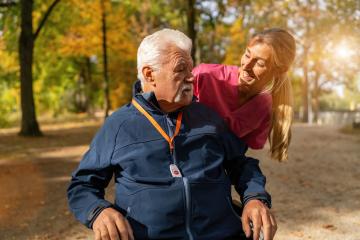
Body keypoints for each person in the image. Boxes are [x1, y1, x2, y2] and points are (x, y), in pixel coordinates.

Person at [67, 28, 276, 240]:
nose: (191, 77)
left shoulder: (208, 118)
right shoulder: (118, 125)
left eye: (191, 69)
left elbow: (241, 164)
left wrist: (254, 198)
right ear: (150, 75)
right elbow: (82, 185)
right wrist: (99, 211)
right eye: (181, 69)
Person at [192, 28, 296, 162]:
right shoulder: (204, 75)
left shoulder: (264, 106)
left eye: (259, 63)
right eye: (247, 55)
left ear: (279, 70)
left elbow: (236, 154)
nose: (246, 66)